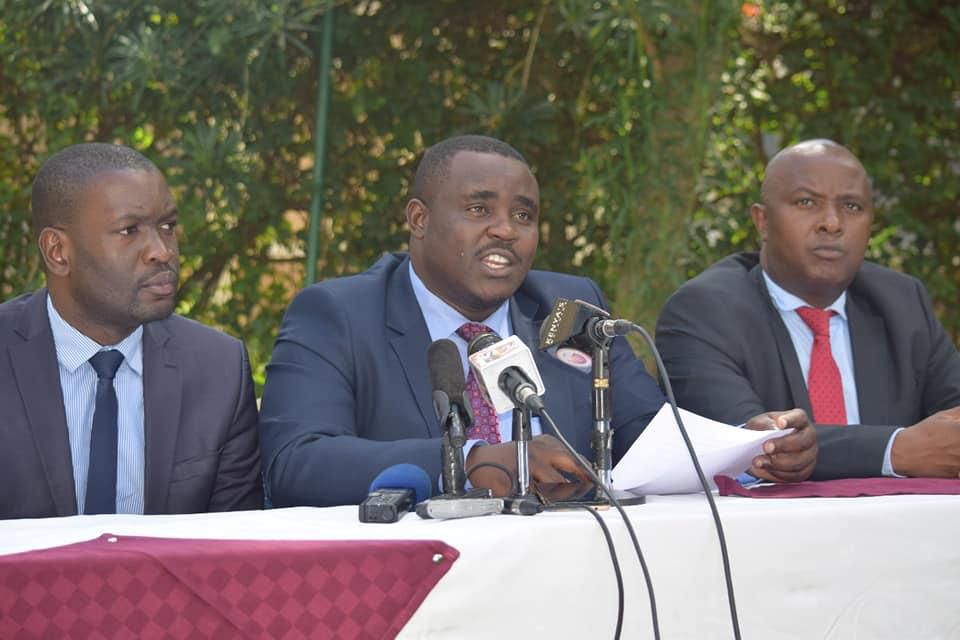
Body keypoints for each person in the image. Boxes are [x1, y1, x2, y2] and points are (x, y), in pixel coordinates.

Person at [259, 134, 673, 507]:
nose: (506, 230)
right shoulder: (339, 315)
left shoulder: (568, 310)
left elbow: (659, 442)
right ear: (419, 220)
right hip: (423, 561)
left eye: (524, 216)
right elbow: (295, 463)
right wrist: (469, 463)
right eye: (479, 209)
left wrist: (712, 451)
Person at [656, 139, 960, 480]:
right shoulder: (703, 311)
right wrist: (895, 450)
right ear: (762, 221)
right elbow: (752, 446)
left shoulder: (902, 302)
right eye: (806, 202)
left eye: (852, 206)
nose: (832, 223)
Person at [0, 143, 263, 519]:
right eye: (129, 230)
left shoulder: (218, 369)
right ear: (58, 252)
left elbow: (232, 541)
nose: (162, 251)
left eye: (167, 227)